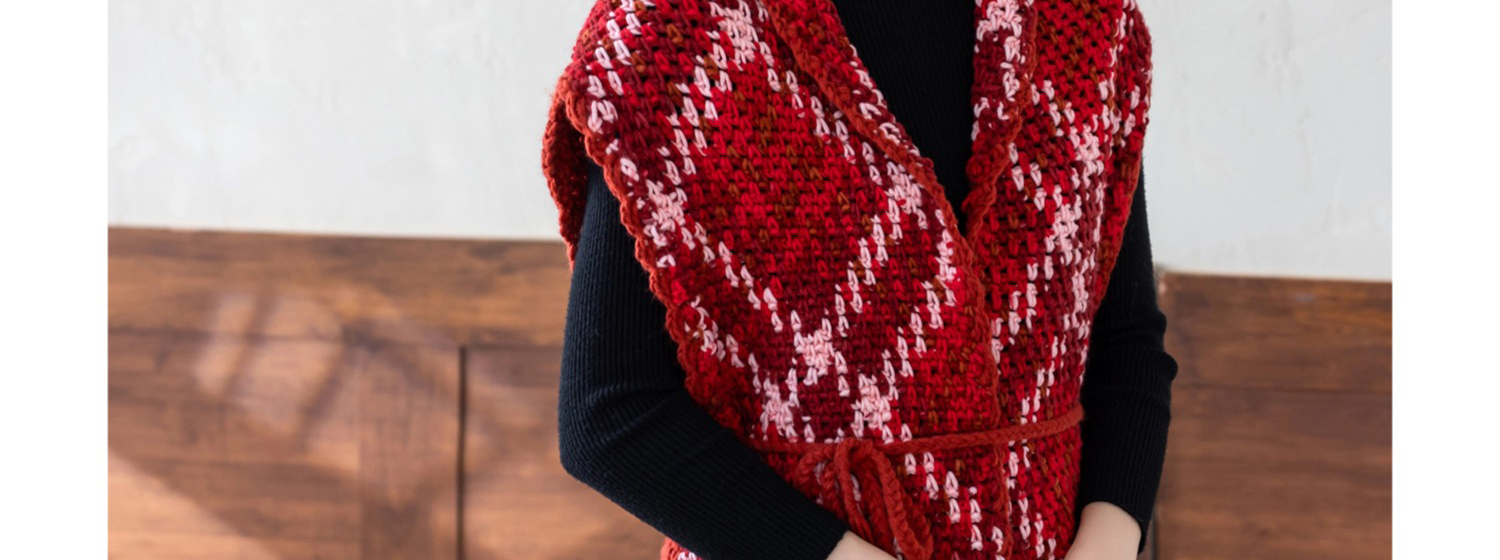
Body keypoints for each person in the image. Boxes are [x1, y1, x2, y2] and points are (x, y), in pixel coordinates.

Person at [547, 1, 1176, 559]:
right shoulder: (673, 36)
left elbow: (1125, 342)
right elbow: (611, 412)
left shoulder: (1084, 25)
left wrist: (1107, 545)